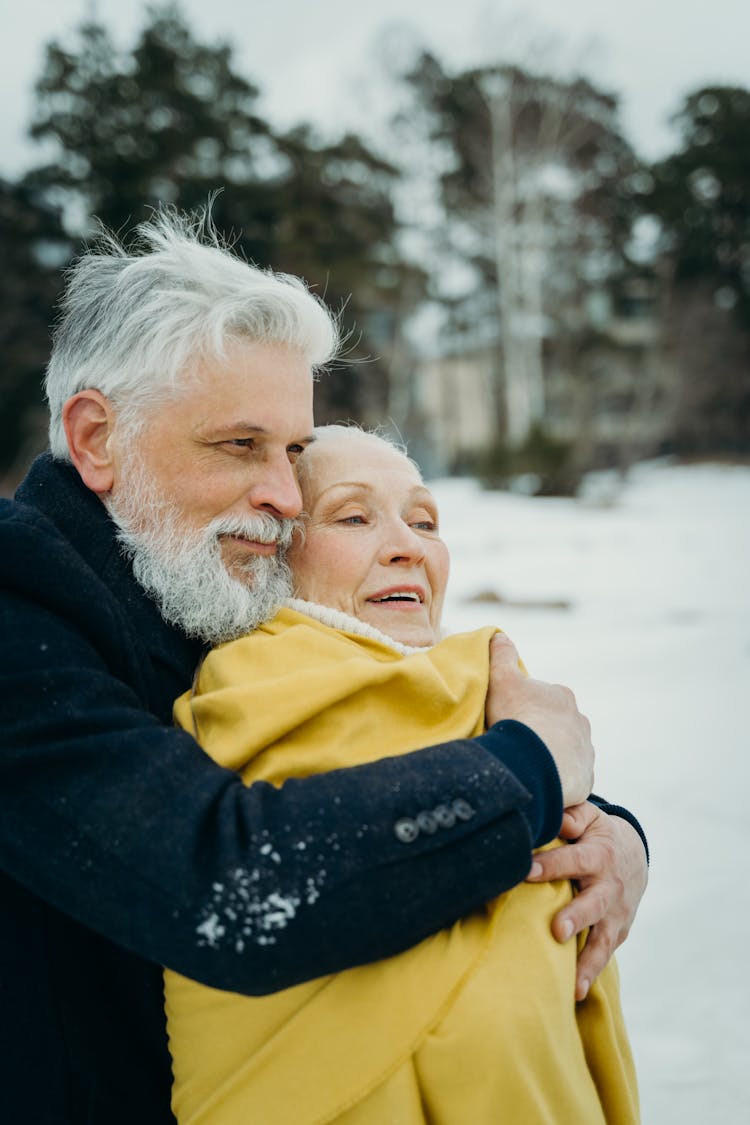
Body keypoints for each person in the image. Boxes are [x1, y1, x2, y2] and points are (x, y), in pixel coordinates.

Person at [0, 208, 647, 1125]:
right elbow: (223, 882)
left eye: (295, 452)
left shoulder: (202, 575)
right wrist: (531, 771)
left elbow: (385, 737)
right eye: (240, 445)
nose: (280, 493)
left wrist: (602, 831)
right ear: (98, 437)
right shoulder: (19, 606)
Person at [166, 425, 639, 1124]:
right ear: (271, 554)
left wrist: (617, 833)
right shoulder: (244, 695)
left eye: (424, 520)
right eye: (353, 516)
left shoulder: (490, 691)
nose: (408, 546)